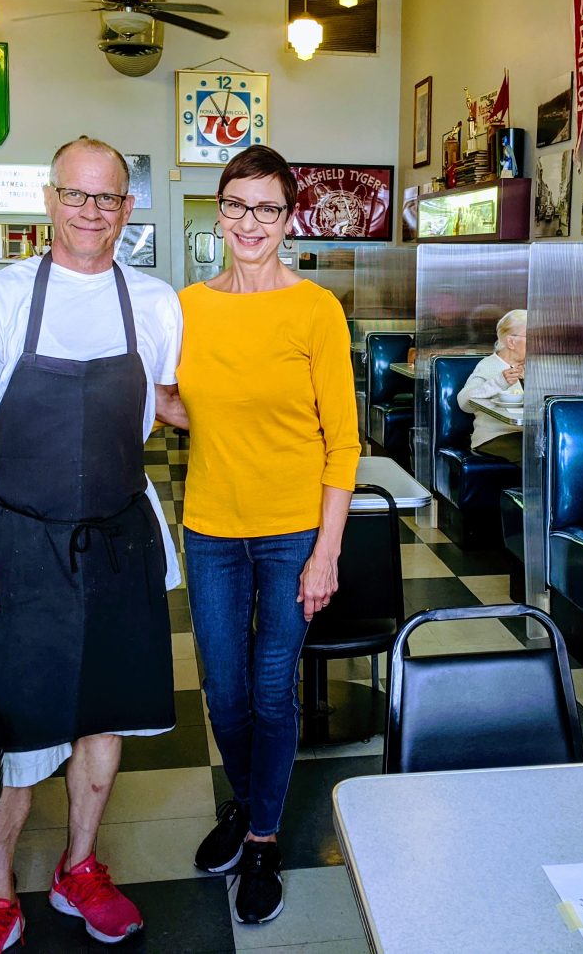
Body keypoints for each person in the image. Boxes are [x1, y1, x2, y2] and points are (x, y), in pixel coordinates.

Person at [0, 137, 183, 953]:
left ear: (127, 208)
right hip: (21, 541)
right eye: (76, 195)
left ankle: (80, 866)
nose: (91, 211)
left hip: (119, 539)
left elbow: (173, 403)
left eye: (108, 198)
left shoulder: (154, 302)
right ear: (49, 200)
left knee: (103, 720)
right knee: (17, 728)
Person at [156, 144, 359, 925]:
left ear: (288, 215)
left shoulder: (314, 308)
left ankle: (265, 835)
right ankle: (247, 803)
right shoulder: (189, 307)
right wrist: (212, 423)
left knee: (274, 689)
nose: (250, 222)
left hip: (292, 534)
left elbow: (342, 441)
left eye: (267, 207)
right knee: (226, 689)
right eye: (237, 205)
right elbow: (169, 398)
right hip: (209, 525)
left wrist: (327, 550)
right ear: (219, 211)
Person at [456, 309, 526, 464]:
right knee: (536, 457)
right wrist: (499, 382)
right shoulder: (488, 365)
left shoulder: (534, 367)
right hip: (495, 437)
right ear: (511, 342)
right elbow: (464, 402)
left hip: (528, 434)